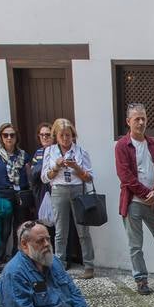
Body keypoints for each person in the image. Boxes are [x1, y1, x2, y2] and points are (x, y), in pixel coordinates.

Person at [114, 103, 154, 294]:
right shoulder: (122, 146)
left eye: (143, 118)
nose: (141, 122)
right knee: (135, 245)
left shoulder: (153, 144)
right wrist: (145, 194)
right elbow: (125, 175)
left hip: (153, 202)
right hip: (133, 202)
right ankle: (141, 280)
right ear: (128, 121)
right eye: (137, 119)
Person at [41, 118, 95, 279]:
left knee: (83, 231)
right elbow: (44, 178)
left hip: (77, 190)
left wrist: (76, 167)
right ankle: (59, 265)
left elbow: (89, 178)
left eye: (68, 135)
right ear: (56, 136)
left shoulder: (80, 151)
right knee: (60, 231)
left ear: (73, 135)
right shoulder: (50, 151)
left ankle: (89, 266)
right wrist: (56, 166)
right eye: (62, 135)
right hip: (58, 190)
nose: (65, 139)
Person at [0, 122, 31, 272]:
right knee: (2, 230)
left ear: (16, 137)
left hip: (20, 195)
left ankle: (18, 258)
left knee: (20, 228)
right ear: (1, 137)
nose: (9, 138)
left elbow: (29, 176)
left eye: (12, 135)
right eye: (5, 135)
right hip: (3, 195)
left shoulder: (23, 155)